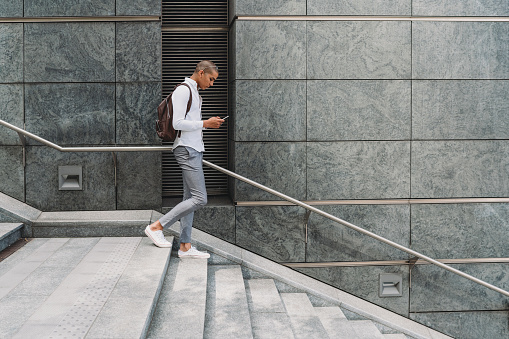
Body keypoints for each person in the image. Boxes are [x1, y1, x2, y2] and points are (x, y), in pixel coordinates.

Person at [145, 60, 224, 258]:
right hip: (186, 150)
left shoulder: (195, 92)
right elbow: (177, 122)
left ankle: (185, 246)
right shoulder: (184, 90)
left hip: (194, 149)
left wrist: (205, 124)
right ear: (201, 72)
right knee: (199, 198)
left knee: (190, 199)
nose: (212, 84)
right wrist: (206, 123)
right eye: (211, 79)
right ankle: (156, 227)